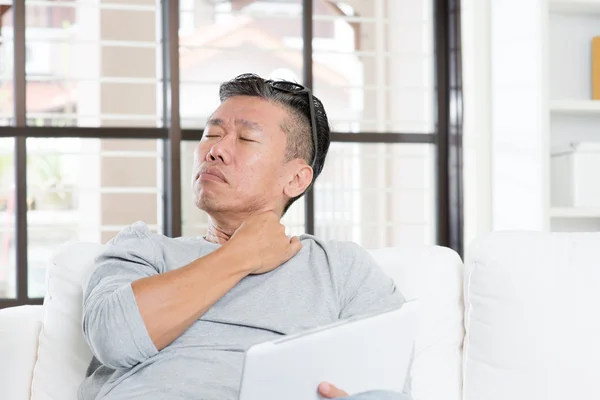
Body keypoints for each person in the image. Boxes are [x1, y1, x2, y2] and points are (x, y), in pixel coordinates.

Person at [79, 73, 411, 400]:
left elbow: (389, 382)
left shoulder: (340, 268)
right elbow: (113, 338)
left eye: (246, 139)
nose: (215, 150)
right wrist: (242, 254)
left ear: (296, 178)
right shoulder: (143, 250)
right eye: (212, 133)